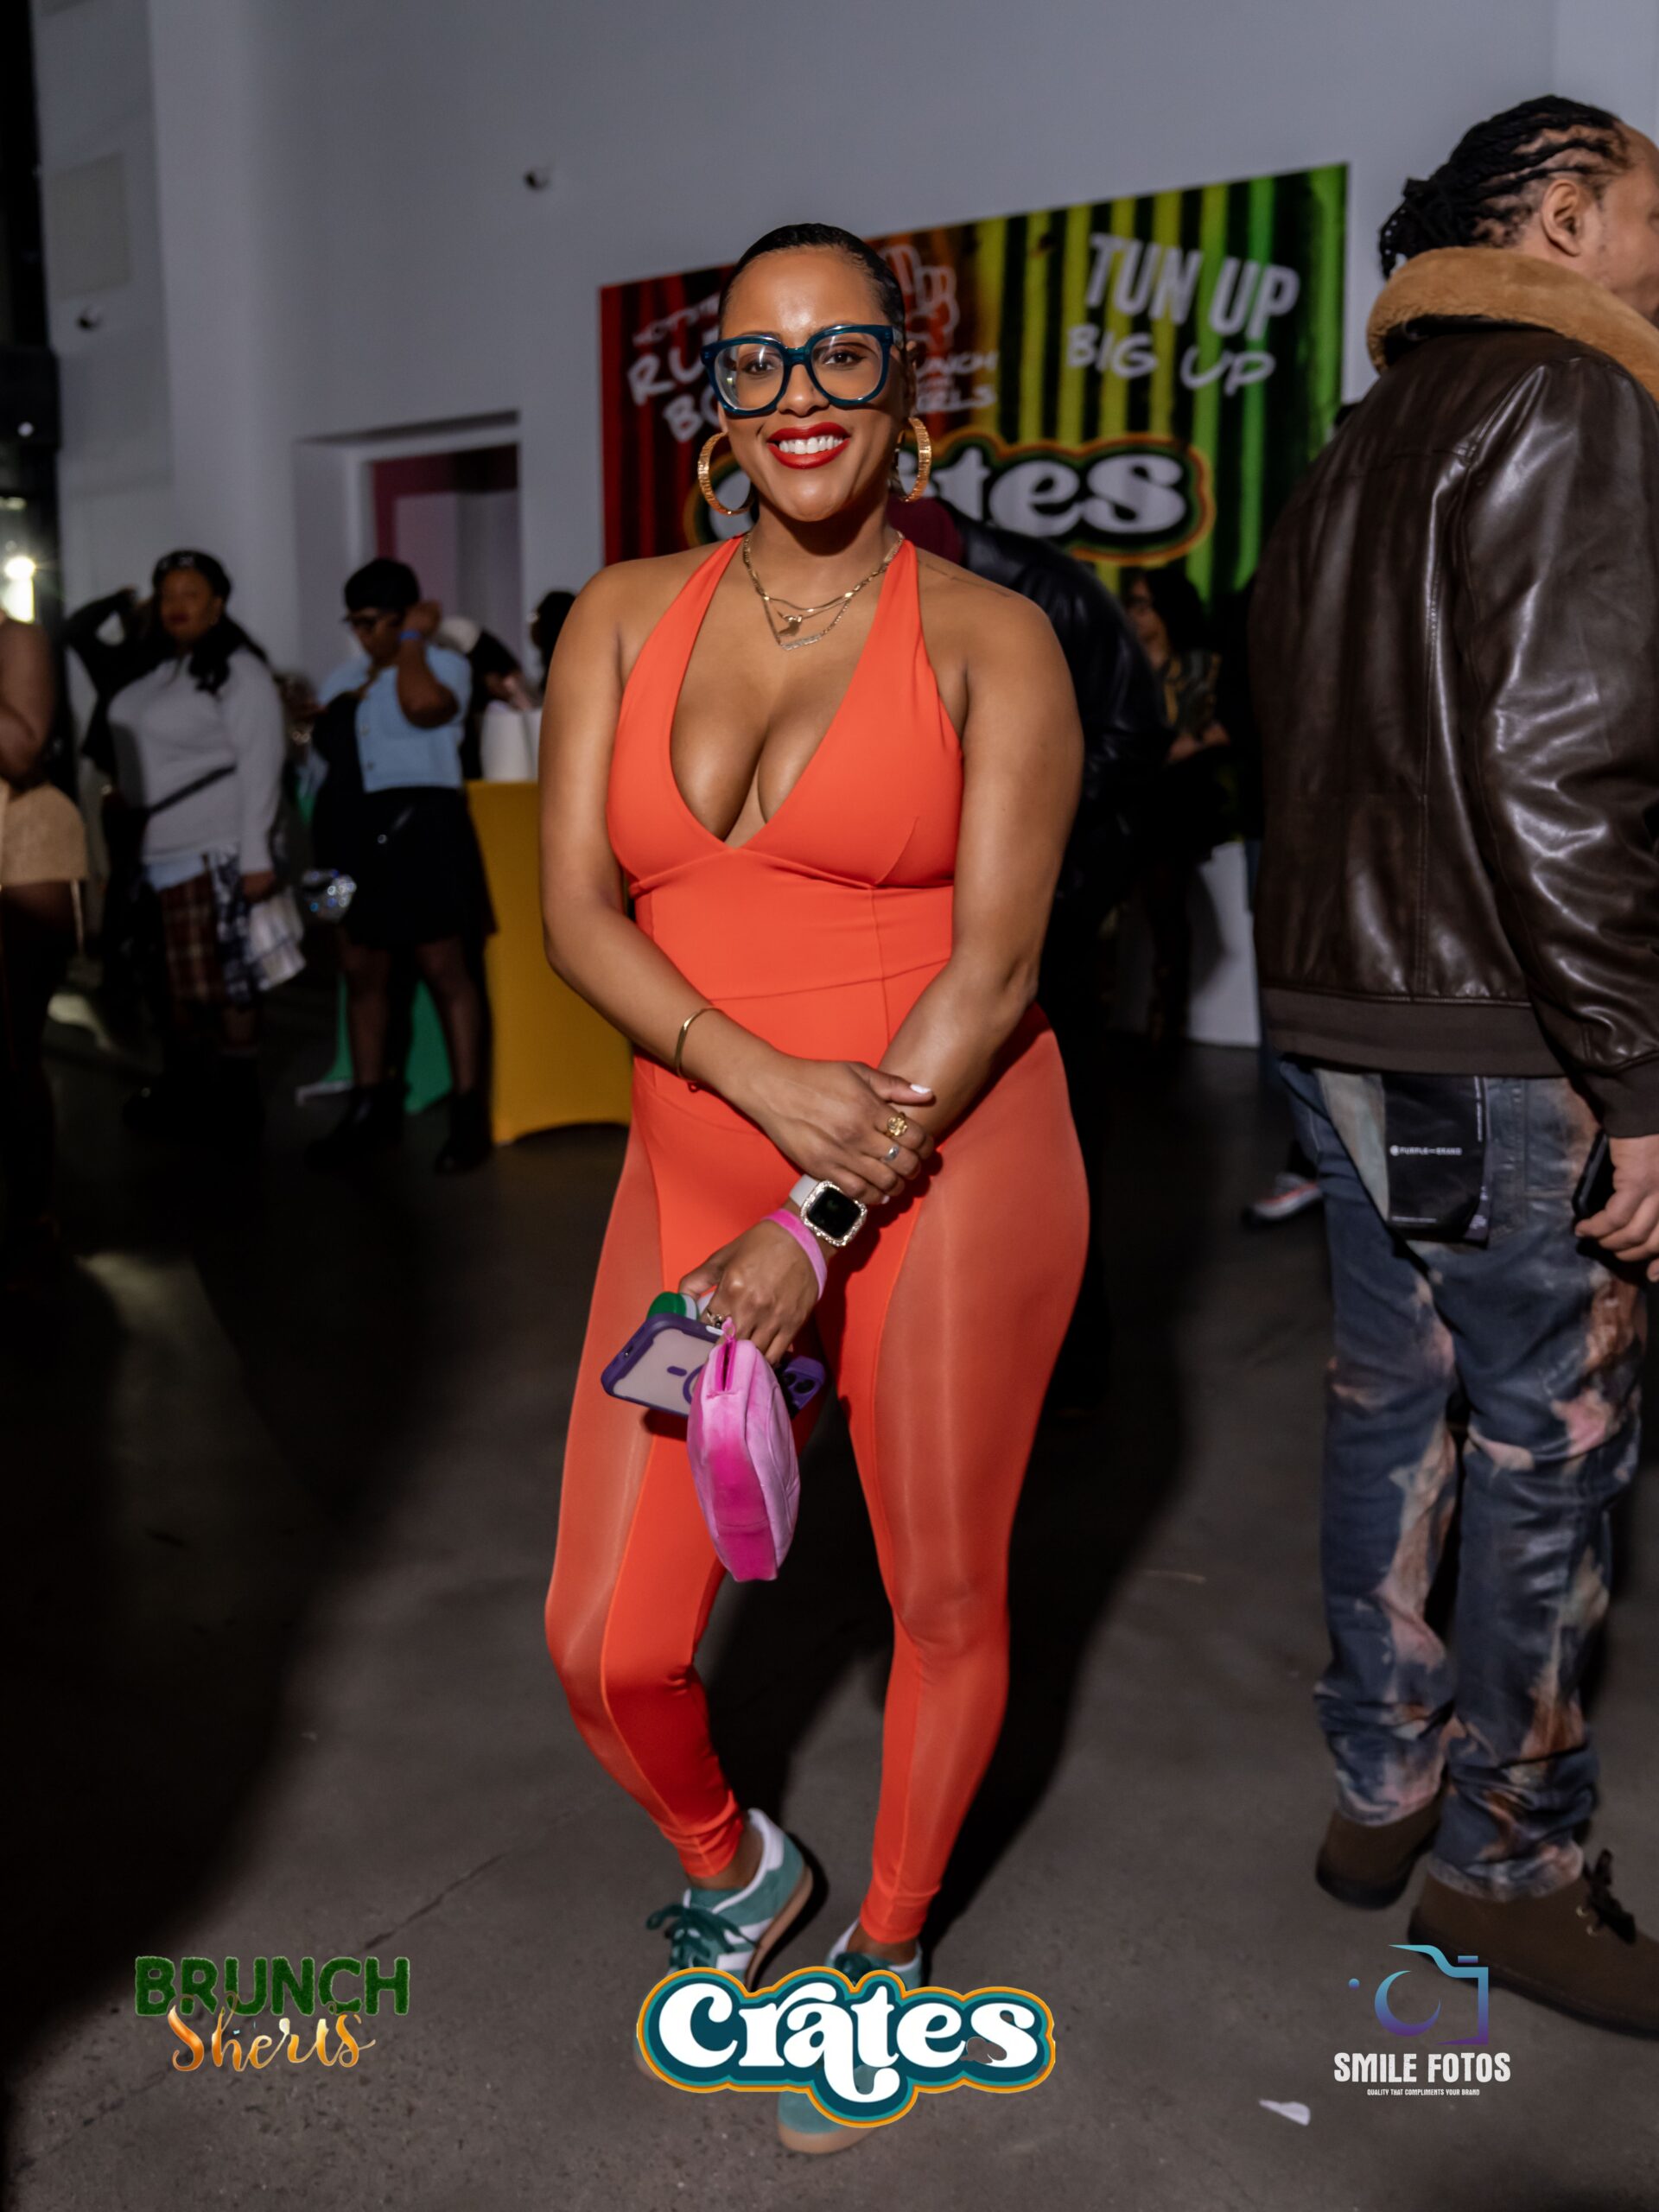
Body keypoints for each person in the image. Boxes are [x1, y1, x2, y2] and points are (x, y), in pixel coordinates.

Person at [538, 221, 1086, 2152]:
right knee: (604, 1639)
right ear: (714, 402)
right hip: (703, 1166)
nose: (799, 398)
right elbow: (577, 914)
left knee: (940, 1592)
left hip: (948, 1165)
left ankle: (894, 1942)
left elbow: (993, 975)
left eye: (840, 354)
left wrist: (814, 1216)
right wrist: (760, 1088)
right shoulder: (621, 616)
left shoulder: (995, 638)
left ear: (903, 380)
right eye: (756, 362)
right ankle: (741, 1860)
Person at [1253, 95, 1659, 2033]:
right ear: (1566, 213)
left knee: (1387, 1409)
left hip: (1340, 1028)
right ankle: (1511, 1865)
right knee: (1549, 1446)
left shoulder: (1358, 437)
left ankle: (1380, 1784)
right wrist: (1640, 1079)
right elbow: (1563, 776)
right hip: (1503, 1041)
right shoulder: (1575, 398)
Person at [892, 493, 1166, 1410]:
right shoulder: (868, 587)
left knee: (1053, 1135)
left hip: (1053, 908)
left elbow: (1135, 736)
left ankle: (1070, 1357)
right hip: (931, 922)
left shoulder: (1047, 590)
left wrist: (1012, 812)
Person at [307, 558, 493, 1174]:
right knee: (360, 971)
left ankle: (468, 1114)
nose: (363, 636)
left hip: (422, 833)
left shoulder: (443, 666)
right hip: (347, 838)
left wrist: (414, 639)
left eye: (374, 622)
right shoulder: (342, 678)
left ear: (404, 616)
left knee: (445, 969)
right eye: (355, 623)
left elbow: (421, 706)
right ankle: (369, 1106)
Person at [106, 551, 285, 1147]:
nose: (176, 605)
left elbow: (262, 762)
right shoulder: (162, 669)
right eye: (167, 595)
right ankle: (186, 1086)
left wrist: (256, 856)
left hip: (216, 846)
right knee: (173, 984)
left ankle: (238, 1097)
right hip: (156, 849)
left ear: (218, 604)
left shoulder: (239, 671)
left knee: (227, 980)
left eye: (191, 593)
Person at [0, 610, 87, 1292]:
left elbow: (20, 750)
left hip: (20, 844)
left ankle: (26, 1217)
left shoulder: (15, 639)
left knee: (10, 1051)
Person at [1121, 566, 1230, 1052]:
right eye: (1132, 604)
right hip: (1122, 802)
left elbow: (1229, 724)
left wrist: (1191, 744)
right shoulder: (1121, 662)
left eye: (1144, 605)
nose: (1135, 614)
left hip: (1173, 807)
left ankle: (1165, 1021)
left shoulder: (1203, 665)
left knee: (1166, 911)